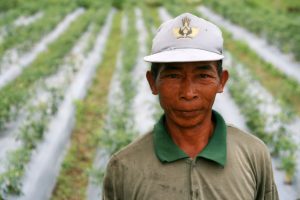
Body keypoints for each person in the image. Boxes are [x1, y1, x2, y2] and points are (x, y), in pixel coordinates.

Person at [102, 12, 279, 200]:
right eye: (173, 76)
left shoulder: (253, 155)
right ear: (153, 82)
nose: (188, 93)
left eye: (203, 76)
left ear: (221, 81)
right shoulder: (124, 167)